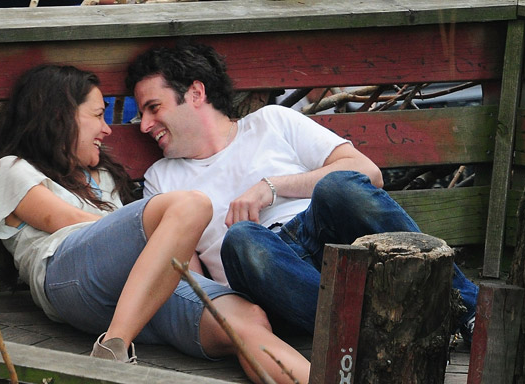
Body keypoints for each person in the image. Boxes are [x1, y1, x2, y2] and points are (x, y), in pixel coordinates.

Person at [0, 64, 310, 384]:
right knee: (191, 204)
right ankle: (112, 348)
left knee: (246, 320)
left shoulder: (104, 176)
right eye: (98, 115)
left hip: (138, 292)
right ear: (60, 117)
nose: (107, 129)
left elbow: (146, 241)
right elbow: (68, 220)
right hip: (69, 277)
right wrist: (159, 226)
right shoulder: (13, 169)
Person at [125, 43, 479, 341]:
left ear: (196, 93)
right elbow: (190, 277)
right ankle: (367, 336)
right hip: (269, 278)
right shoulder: (161, 179)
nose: (145, 125)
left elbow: (367, 173)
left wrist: (271, 187)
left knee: (337, 187)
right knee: (242, 238)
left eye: (154, 108)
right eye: (142, 114)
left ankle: (470, 311)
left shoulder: (272, 121)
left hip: (331, 242)